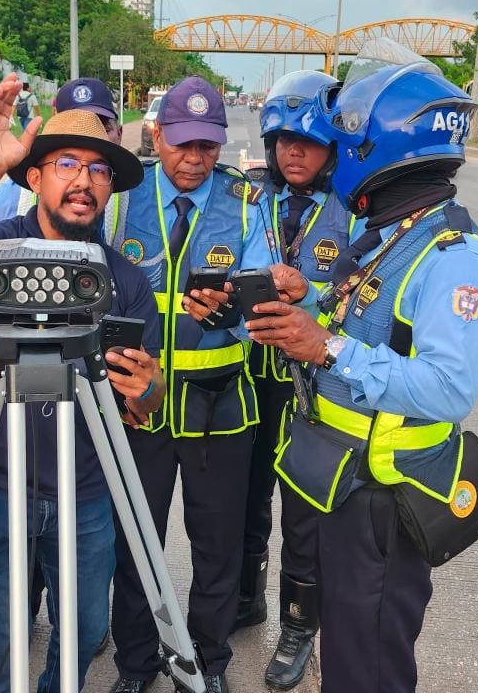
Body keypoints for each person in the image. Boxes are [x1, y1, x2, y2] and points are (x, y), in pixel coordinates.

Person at [244, 42, 478, 693]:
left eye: (349, 136)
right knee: (348, 658)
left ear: (380, 148)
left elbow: (448, 388)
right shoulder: (395, 230)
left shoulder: (454, 256)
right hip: (345, 485)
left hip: (386, 505)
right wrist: (307, 297)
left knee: (369, 671)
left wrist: (325, 347)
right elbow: (372, 315)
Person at [0, 74, 163, 693]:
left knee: (81, 636)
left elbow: (144, 407)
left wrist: (147, 390)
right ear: (35, 177)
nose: (84, 180)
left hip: (85, 490)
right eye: (66, 164)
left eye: (99, 170)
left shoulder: (125, 281)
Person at [103, 76, 304, 693]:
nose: (195, 159)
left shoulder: (247, 206)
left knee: (216, 547)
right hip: (141, 407)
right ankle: (137, 664)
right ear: (157, 135)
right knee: (137, 544)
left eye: (208, 146)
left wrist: (238, 317)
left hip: (222, 407)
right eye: (183, 143)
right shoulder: (118, 201)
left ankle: (207, 662)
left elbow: (265, 308)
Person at [236, 70, 351, 690]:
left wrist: (315, 290)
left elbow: (366, 298)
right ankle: (245, 597)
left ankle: (300, 624)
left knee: (303, 511)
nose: (293, 153)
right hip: (249, 374)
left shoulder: (355, 209)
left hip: (312, 385)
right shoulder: (252, 200)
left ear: (333, 147)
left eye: (307, 142)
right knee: (245, 494)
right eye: (283, 141)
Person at [0, 77, 121, 224]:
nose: (83, 182)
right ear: (35, 179)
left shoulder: (144, 198)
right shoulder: (10, 197)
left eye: (103, 128)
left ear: (119, 134)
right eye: (74, 126)